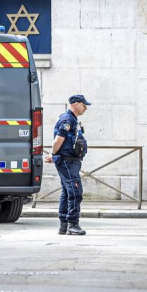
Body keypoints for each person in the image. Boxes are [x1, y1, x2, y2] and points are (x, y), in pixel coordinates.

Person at [49, 94, 90, 236]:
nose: (86, 108)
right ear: (77, 104)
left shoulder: (72, 119)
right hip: (67, 161)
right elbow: (58, 140)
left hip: (70, 161)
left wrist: (53, 155)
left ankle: (64, 225)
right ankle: (73, 224)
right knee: (75, 191)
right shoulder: (67, 120)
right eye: (84, 105)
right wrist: (53, 154)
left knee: (67, 192)